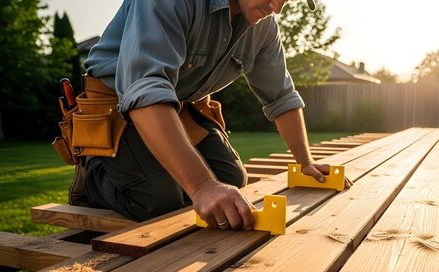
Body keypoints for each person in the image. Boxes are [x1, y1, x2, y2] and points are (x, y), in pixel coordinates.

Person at [71, 0, 333, 231]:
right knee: (158, 199)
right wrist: (201, 187)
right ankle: (93, 172)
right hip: (115, 105)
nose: (277, 7)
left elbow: (281, 96)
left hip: (178, 106)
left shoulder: (264, 26)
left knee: (231, 181)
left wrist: (305, 162)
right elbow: (145, 89)